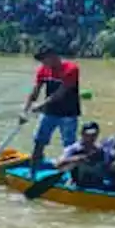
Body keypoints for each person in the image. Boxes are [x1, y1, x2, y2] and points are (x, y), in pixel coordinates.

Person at [23, 46, 82, 174]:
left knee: (70, 147)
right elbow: (35, 91)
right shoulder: (43, 70)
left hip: (68, 114)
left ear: (53, 55)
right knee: (39, 142)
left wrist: (40, 105)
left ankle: (73, 177)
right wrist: (25, 110)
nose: (43, 64)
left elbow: (60, 93)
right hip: (49, 113)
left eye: (44, 60)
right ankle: (31, 173)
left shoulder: (71, 69)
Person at [54, 121, 108, 189]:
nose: (91, 137)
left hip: (98, 186)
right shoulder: (73, 149)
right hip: (77, 185)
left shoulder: (101, 150)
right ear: (82, 134)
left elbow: (108, 168)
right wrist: (75, 159)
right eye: (88, 135)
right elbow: (58, 166)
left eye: (94, 135)